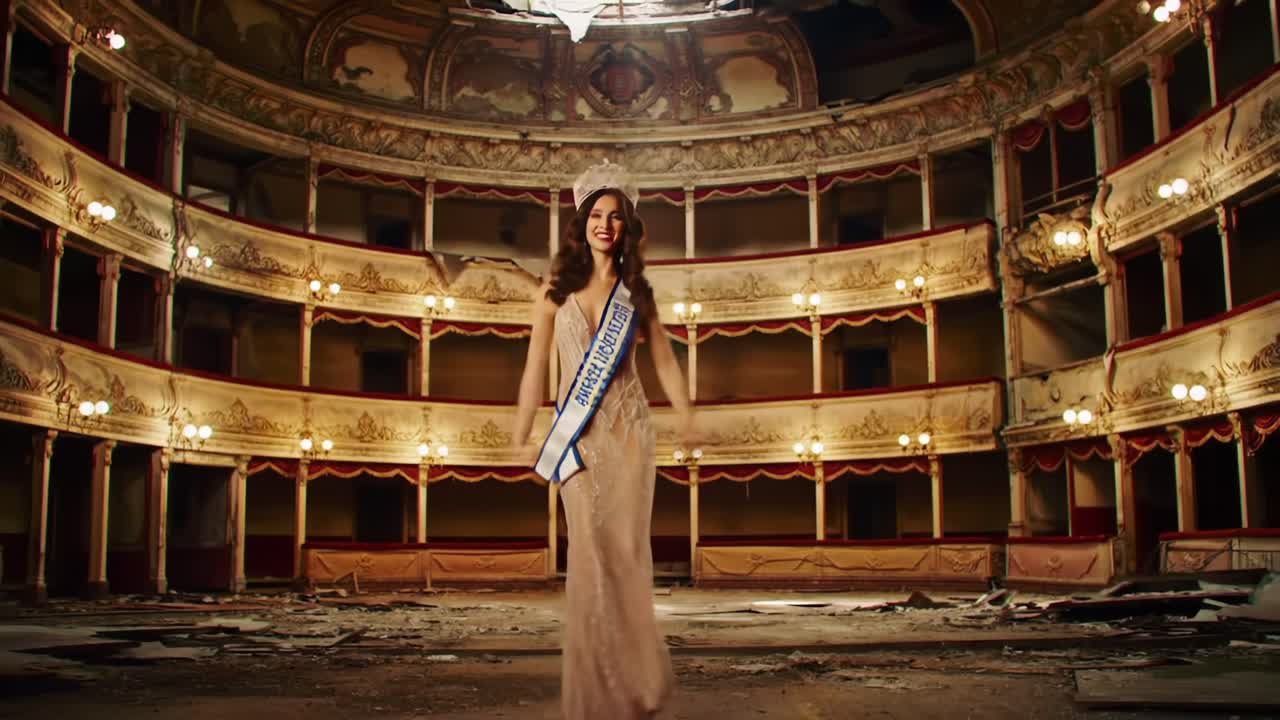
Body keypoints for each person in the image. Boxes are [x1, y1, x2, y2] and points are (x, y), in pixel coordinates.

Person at [512, 160, 697, 719]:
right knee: (589, 557)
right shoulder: (552, 292)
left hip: (631, 435)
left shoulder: (637, 292)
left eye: (616, 217)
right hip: (578, 439)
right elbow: (534, 367)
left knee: (626, 557)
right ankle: (597, 689)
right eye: (597, 214)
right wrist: (520, 431)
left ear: (627, 227)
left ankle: (634, 683)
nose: (605, 225)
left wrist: (688, 416)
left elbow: (665, 360)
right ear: (582, 222)